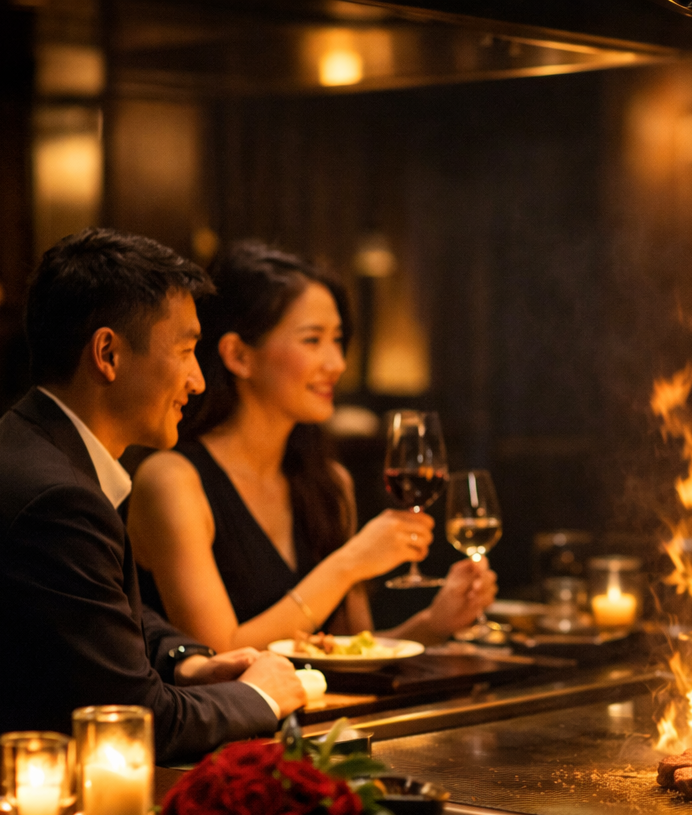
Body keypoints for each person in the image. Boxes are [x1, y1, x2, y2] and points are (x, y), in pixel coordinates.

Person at [0, 228, 305, 763]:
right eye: (187, 350)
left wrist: (186, 660)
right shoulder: (51, 495)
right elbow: (136, 722)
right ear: (107, 353)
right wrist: (261, 695)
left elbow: (96, 610)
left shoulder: (39, 448)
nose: (198, 381)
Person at [125, 241, 494, 653]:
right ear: (238, 355)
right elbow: (220, 654)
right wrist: (350, 562)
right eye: (313, 340)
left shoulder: (328, 480)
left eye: (337, 340)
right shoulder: (172, 481)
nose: (336, 363)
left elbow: (350, 648)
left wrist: (433, 624)